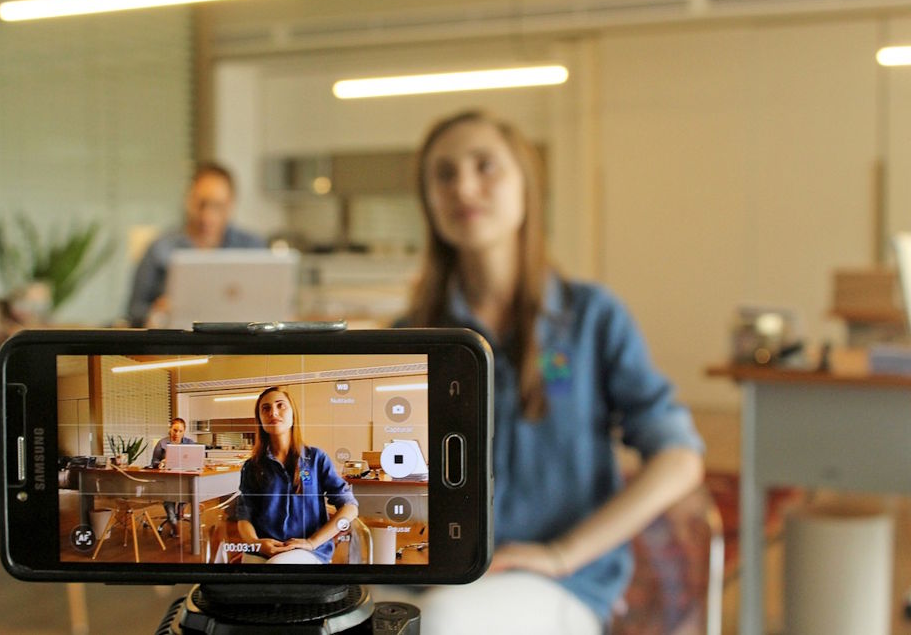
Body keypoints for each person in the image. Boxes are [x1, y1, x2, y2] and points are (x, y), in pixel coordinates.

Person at [386, 110, 705, 635]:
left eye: (484, 166)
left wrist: (564, 553)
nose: (463, 186)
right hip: (433, 576)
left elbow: (680, 457)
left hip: (561, 582)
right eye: (443, 174)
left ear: (526, 187)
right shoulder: (410, 335)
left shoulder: (591, 319)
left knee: (439, 622)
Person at [126, 161, 265, 327]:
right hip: (178, 347)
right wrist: (157, 312)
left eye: (217, 206)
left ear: (231, 205)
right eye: (201, 204)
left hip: (238, 347)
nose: (207, 215)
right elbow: (133, 311)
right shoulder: (160, 247)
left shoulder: (252, 248)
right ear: (189, 200)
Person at [236, 386, 358, 564]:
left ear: (293, 415)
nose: (273, 412)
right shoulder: (252, 466)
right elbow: (244, 517)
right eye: (266, 408)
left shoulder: (316, 459)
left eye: (280, 405)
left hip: (308, 551)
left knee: (276, 567)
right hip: (263, 549)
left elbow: (350, 507)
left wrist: (312, 542)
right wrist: (256, 543)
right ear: (260, 419)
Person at [150, 417, 195, 538]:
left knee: (189, 489)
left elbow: (196, 460)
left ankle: (180, 509)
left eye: (180, 431)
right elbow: (153, 462)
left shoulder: (190, 443)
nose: (177, 434)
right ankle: (173, 521)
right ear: (170, 429)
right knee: (169, 496)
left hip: (184, 478)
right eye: (175, 430)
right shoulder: (162, 443)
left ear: (184, 431)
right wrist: (161, 463)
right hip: (167, 479)